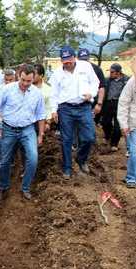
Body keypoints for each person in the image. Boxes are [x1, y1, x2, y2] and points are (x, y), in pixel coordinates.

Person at [0, 64, 46, 201]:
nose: (26, 84)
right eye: (23, 80)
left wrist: (41, 134)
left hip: (27, 130)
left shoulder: (37, 94)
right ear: (18, 76)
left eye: (29, 81)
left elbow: (41, 115)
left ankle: (25, 188)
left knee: (33, 159)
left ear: (33, 79)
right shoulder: (7, 90)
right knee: (4, 161)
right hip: (8, 128)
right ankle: (3, 187)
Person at [49, 46, 100, 179]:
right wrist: (54, 111)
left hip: (84, 107)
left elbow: (96, 82)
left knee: (89, 137)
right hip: (65, 108)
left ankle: (81, 159)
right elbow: (53, 94)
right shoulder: (56, 74)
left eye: (69, 59)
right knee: (66, 139)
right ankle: (67, 168)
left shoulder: (86, 67)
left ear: (74, 57)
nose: (68, 62)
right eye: (64, 60)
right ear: (61, 60)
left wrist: (92, 93)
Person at [101, 63, 129, 151]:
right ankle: (108, 136)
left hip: (120, 104)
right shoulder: (107, 80)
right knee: (105, 123)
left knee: (118, 125)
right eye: (110, 72)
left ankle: (114, 143)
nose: (110, 73)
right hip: (108, 103)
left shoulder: (127, 81)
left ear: (118, 73)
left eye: (112, 72)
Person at [117, 56, 136, 188]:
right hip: (134, 123)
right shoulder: (132, 82)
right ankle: (131, 178)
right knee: (134, 152)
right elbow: (123, 103)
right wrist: (123, 124)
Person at [77, 48, 106, 125]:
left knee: (88, 125)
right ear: (77, 59)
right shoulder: (73, 69)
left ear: (89, 58)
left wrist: (99, 104)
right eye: (82, 60)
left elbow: (101, 87)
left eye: (86, 60)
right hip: (75, 103)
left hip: (91, 103)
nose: (84, 62)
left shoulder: (97, 69)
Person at [33, 64, 53, 129]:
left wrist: (48, 122)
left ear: (41, 75)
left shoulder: (48, 89)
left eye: (34, 74)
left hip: (42, 121)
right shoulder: (27, 87)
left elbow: (49, 107)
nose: (32, 76)